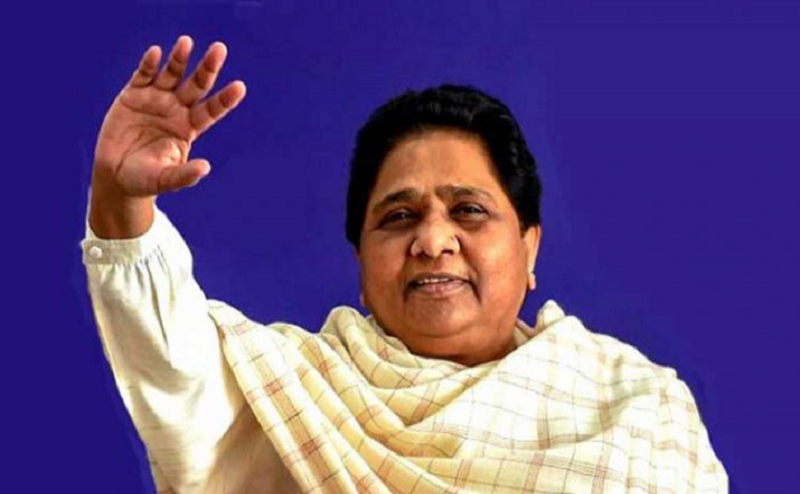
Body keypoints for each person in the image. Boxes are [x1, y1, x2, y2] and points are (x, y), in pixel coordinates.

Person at [83, 35, 727, 493]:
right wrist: (120, 202)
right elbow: (175, 367)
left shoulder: (632, 406)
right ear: (362, 263)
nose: (433, 240)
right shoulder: (293, 397)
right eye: (398, 217)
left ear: (529, 247)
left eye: (468, 210)